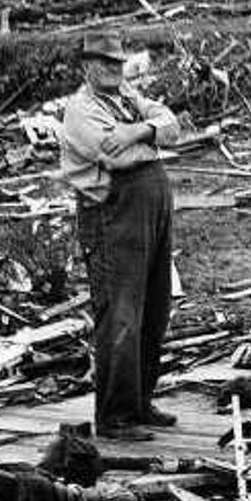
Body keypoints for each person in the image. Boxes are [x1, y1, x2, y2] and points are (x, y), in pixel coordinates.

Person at [58, 27, 183, 441]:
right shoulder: (81, 109)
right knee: (121, 313)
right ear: (86, 67)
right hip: (113, 211)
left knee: (153, 306)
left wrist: (140, 131)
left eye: (117, 62)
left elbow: (171, 126)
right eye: (103, 63)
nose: (113, 70)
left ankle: (140, 402)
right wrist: (146, 136)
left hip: (151, 205)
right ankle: (116, 416)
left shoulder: (127, 98)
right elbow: (114, 154)